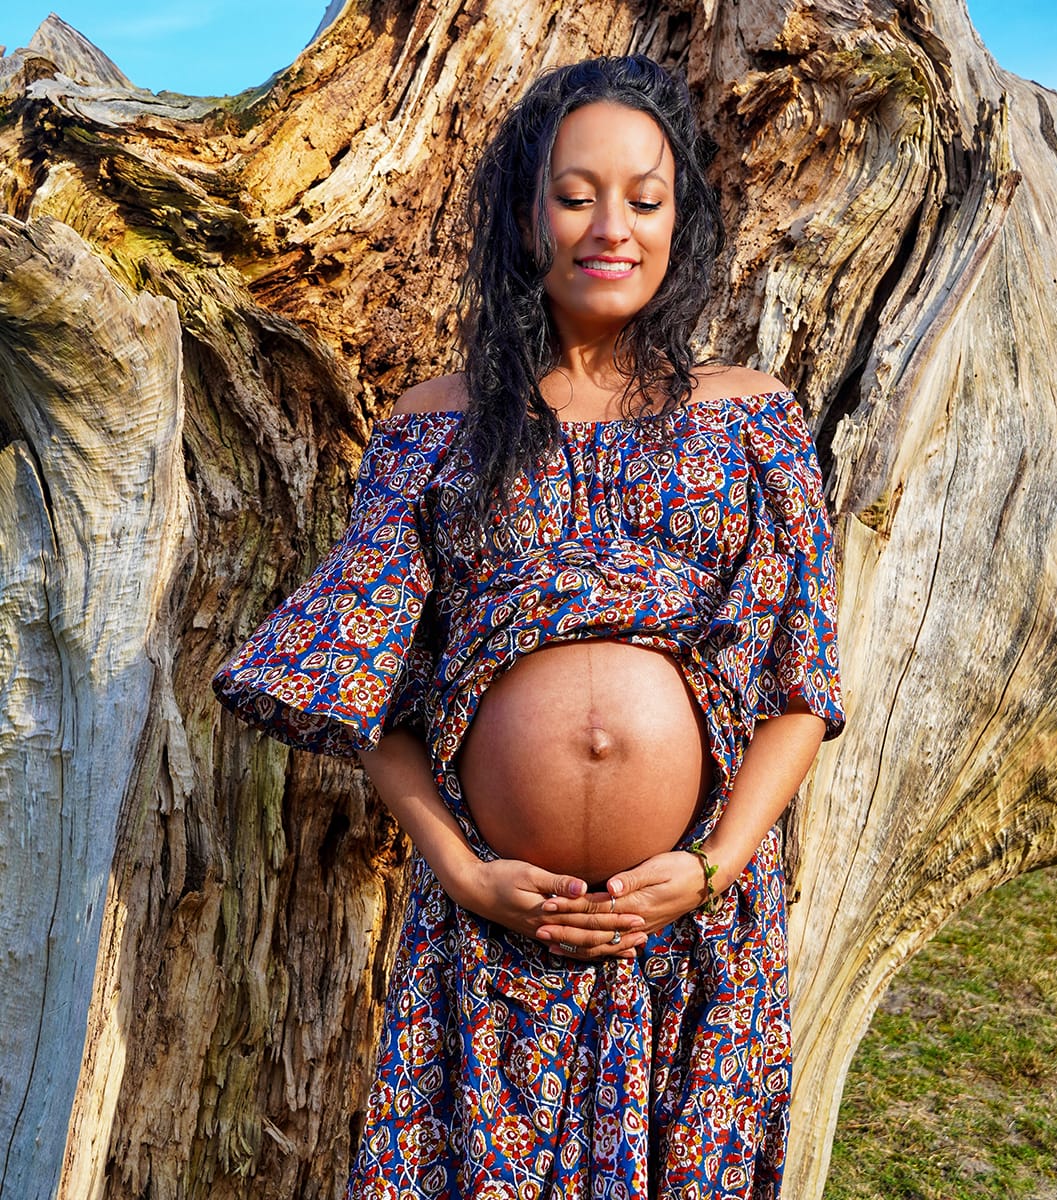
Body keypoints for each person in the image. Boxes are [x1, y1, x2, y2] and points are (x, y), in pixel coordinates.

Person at [213, 54, 843, 1200]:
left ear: (680, 221)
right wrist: (462, 871)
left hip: (688, 938)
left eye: (645, 200)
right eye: (575, 194)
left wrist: (707, 869)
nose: (612, 227)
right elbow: (371, 691)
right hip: (493, 935)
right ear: (523, 214)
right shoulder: (435, 426)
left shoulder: (752, 417)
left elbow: (805, 689)